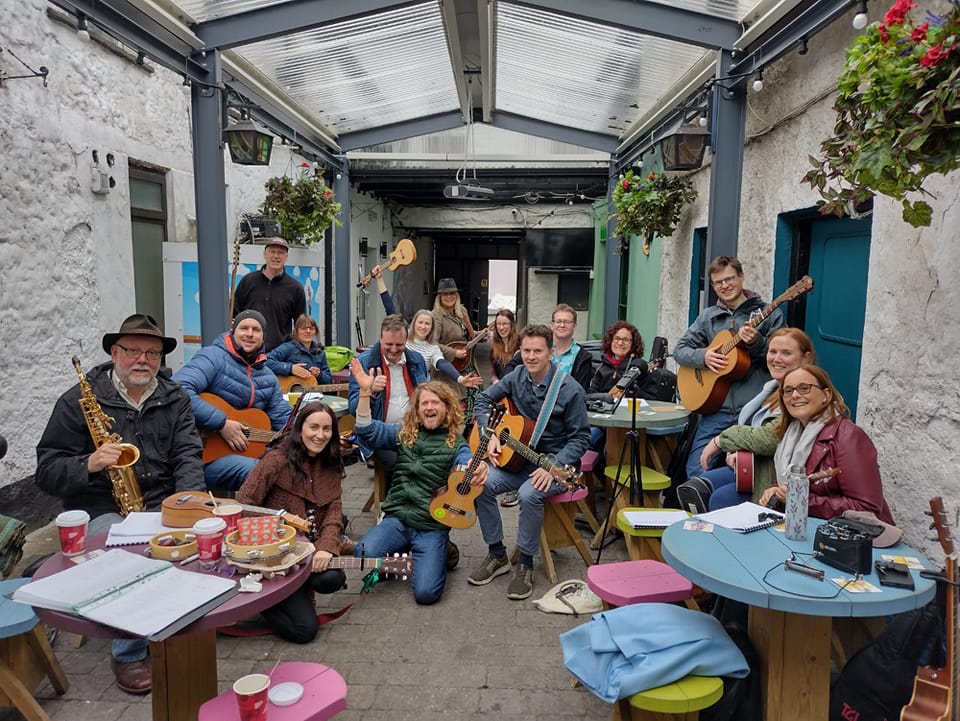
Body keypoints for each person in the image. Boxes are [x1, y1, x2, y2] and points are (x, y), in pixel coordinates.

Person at [35, 313, 205, 695]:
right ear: (114, 353)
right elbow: (46, 470)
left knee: (200, 540)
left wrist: (188, 505)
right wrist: (89, 463)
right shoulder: (79, 400)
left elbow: (188, 456)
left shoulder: (174, 396)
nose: (143, 360)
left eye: (152, 353)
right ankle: (128, 653)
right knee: (128, 555)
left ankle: (175, 621)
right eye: (133, 351)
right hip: (100, 507)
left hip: (159, 502)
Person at [467, 324, 591, 600]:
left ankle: (524, 564)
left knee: (528, 494)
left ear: (550, 354)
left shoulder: (570, 390)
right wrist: (490, 434)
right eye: (526, 350)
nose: (531, 356)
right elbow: (483, 400)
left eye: (537, 351)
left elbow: (581, 438)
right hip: (518, 460)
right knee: (480, 483)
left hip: (557, 466)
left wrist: (553, 466)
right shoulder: (516, 376)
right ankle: (497, 554)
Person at [350, 361, 487, 604]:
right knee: (364, 554)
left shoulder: (456, 444)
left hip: (431, 525)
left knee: (426, 594)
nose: (430, 407)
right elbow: (366, 432)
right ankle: (412, 556)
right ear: (417, 409)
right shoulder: (404, 433)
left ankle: (441, 552)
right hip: (398, 520)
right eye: (425, 403)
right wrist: (364, 392)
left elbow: (465, 465)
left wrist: (477, 469)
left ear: (447, 409)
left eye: (436, 402)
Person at [235, 402, 346, 643]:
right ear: (300, 429)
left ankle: (295, 591)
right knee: (304, 631)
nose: (320, 435)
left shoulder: (330, 462)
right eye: (313, 427)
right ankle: (263, 600)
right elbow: (242, 505)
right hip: (272, 555)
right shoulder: (275, 461)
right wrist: (281, 522)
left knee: (333, 577)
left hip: (304, 553)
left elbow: (334, 511)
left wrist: (326, 547)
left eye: (327, 429)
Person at [675, 328, 815, 512]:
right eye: (773, 352)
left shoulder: (803, 393)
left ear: (806, 358)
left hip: (773, 478)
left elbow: (770, 438)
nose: (776, 358)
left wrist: (720, 440)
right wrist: (738, 452)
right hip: (749, 468)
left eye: (786, 353)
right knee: (693, 488)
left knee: (719, 500)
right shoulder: (771, 389)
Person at [674, 256, 784, 480]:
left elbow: (781, 360)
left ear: (741, 277)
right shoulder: (709, 317)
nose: (725, 286)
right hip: (716, 410)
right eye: (718, 282)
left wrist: (757, 343)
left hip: (754, 411)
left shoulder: (769, 314)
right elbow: (680, 350)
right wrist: (704, 357)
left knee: (746, 474)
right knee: (696, 470)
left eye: (729, 279)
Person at [757, 365, 894, 523]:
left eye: (804, 388)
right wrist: (775, 490)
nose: (794, 395)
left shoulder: (848, 436)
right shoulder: (791, 434)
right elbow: (791, 482)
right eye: (788, 390)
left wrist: (802, 501)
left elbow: (867, 508)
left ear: (825, 395)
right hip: (801, 528)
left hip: (850, 539)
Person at [174, 310, 292, 492]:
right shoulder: (213, 357)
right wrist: (221, 423)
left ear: (263, 337)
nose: (250, 334)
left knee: (294, 465)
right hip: (201, 456)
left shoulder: (267, 375)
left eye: (256, 329)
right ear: (233, 331)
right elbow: (178, 389)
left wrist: (310, 429)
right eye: (244, 328)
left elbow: (282, 417)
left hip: (242, 453)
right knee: (262, 471)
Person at [369, 265, 483, 391]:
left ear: (432, 328)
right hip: (394, 384)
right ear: (414, 324)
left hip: (417, 391)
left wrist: (460, 379)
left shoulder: (432, 348)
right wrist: (379, 279)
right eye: (420, 322)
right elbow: (389, 307)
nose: (423, 326)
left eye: (427, 324)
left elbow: (442, 363)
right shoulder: (404, 336)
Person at [347, 314, 429, 486]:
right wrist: (369, 391)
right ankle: (393, 508)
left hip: (415, 430)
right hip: (379, 435)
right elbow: (353, 410)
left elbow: (429, 395)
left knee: (437, 458)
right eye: (388, 344)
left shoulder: (416, 360)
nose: (393, 349)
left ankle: (424, 504)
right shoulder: (363, 363)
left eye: (399, 345)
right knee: (401, 463)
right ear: (380, 339)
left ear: (407, 340)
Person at [234, 237, 307, 352]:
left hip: (279, 355)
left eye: (281, 253)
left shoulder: (295, 288)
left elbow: (301, 325)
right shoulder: (248, 281)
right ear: (265, 254)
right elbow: (234, 315)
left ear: (286, 257)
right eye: (272, 251)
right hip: (247, 351)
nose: (276, 256)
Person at [500, 304, 594, 391]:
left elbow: (580, 390)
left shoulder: (583, 357)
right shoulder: (537, 346)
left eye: (567, 322)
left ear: (575, 325)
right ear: (552, 325)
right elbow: (509, 370)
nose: (562, 325)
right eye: (558, 321)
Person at [432, 278, 488, 413]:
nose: (449, 297)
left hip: (468, 365)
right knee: (457, 409)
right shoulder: (436, 316)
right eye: (445, 294)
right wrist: (453, 352)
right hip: (450, 369)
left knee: (477, 405)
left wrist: (481, 334)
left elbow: (467, 334)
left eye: (452, 293)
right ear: (439, 297)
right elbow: (432, 344)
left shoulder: (461, 311)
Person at [266, 314, 333, 386]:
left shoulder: (320, 353)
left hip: (314, 395)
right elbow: (266, 361)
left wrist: (319, 375)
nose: (308, 331)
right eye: (303, 328)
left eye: (311, 328)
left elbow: (329, 380)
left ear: (315, 332)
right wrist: (290, 368)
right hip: (288, 395)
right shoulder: (287, 348)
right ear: (296, 331)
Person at [588, 321, 647, 395]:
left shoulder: (639, 368)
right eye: (616, 338)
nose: (620, 343)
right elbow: (591, 394)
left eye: (625, 340)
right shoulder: (601, 367)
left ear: (633, 344)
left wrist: (631, 392)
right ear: (610, 340)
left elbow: (649, 397)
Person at [489, 309, 519, 384]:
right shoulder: (493, 348)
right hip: (501, 389)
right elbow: (494, 371)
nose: (501, 328)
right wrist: (495, 380)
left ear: (512, 324)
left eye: (505, 324)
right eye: (499, 324)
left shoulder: (520, 344)